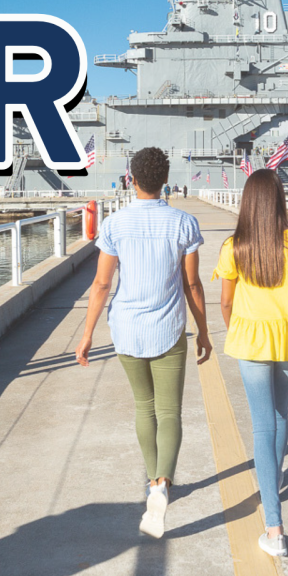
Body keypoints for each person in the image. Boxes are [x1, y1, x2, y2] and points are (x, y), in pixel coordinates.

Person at [76, 146, 211, 538]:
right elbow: (193, 284)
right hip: (168, 329)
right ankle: (163, 485)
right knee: (170, 412)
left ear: (131, 179)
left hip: (127, 330)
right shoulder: (184, 223)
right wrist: (203, 330)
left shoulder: (115, 225)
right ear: (165, 179)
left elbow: (102, 283)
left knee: (144, 407)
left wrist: (86, 335)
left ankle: (153, 481)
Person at [216, 168, 288, 558]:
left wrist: (235, 329)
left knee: (261, 425)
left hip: (251, 340)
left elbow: (226, 302)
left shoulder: (235, 246)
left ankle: (274, 526)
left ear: (248, 202)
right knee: (280, 415)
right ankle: (275, 477)